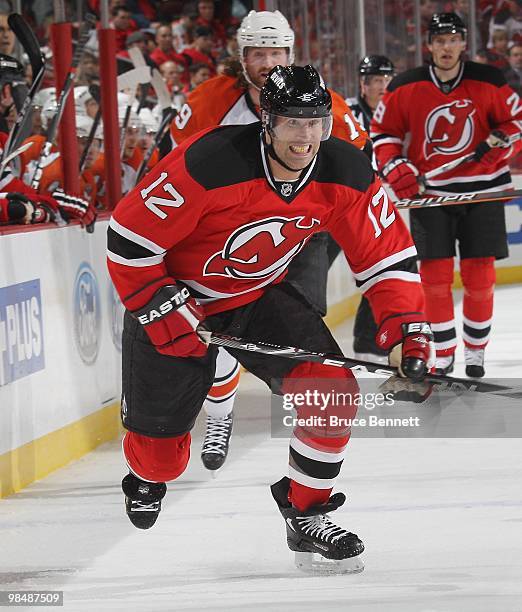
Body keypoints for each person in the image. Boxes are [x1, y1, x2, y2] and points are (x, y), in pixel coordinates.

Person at [107, 64, 432, 572]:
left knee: (332, 390)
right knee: (161, 457)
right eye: (291, 123)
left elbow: (386, 257)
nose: (305, 137)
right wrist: (161, 306)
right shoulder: (209, 162)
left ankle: (306, 514)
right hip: (176, 300)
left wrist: (407, 330)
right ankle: (144, 477)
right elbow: (128, 239)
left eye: (315, 122)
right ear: (267, 120)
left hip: (255, 297)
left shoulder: (344, 170)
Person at [167, 9, 371, 473]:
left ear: (291, 53)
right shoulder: (210, 100)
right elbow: (175, 167)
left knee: (301, 329)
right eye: (259, 53)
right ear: (242, 57)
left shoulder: (322, 101)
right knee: (216, 331)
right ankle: (220, 413)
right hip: (225, 239)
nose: (268, 62)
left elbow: (356, 165)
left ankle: (310, 427)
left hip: (298, 235)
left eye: (277, 52)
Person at [370, 12, 522, 377]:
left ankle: (475, 352)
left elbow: (515, 122)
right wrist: (397, 169)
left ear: (463, 43)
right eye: (439, 41)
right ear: (429, 46)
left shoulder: (489, 80)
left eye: (453, 40)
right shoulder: (405, 86)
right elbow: (382, 132)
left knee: (480, 278)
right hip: (431, 195)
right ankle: (444, 352)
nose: (446, 47)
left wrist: (497, 144)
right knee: (434, 280)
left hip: (482, 192)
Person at [343, 55, 396, 364]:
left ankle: (368, 345)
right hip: (338, 208)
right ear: (363, 84)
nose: (383, 87)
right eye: (377, 81)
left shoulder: (397, 114)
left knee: (377, 272)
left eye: (388, 80)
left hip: (370, 210)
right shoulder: (349, 112)